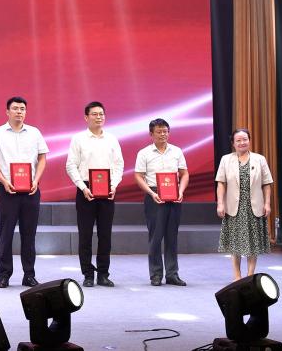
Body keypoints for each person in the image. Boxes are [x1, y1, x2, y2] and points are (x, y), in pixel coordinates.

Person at [0, 97, 48, 288]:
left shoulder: (35, 132)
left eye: (22, 109)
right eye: (15, 108)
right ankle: (4, 275)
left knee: (29, 234)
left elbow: (42, 158)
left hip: (31, 190)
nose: (19, 111)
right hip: (7, 190)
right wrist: (4, 181)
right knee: (6, 234)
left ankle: (29, 274)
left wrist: (36, 180)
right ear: (7, 112)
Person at [65, 101, 123, 288]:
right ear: (86, 117)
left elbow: (119, 164)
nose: (99, 117)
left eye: (101, 114)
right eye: (95, 114)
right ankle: (88, 274)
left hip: (107, 190)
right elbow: (71, 165)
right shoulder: (78, 139)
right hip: (86, 190)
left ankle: (103, 274)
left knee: (105, 235)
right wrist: (83, 187)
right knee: (85, 235)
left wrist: (113, 185)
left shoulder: (112, 139)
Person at [133, 118, 189, 286]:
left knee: (172, 236)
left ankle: (172, 274)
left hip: (174, 195)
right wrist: (151, 193)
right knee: (156, 237)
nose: (163, 134)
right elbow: (138, 176)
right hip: (154, 195)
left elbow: (184, 174)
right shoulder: (144, 153)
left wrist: (181, 191)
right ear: (151, 134)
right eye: (159, 131)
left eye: (165, 131)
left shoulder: (177, 151)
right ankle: (156, 274)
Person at [216, 128, 273, 280]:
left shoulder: (260, 159)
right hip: (234, 207)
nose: (242, 143)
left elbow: (267, 184)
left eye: (245, 139)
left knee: (253, 243)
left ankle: (250, 275)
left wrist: (267, 203)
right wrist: (220, 203)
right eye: (238, 140)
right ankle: (237, 276)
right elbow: (221, 183)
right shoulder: (226, 159)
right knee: (235, 243)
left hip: (254, 206)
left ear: (249, 141)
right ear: (233, 143)